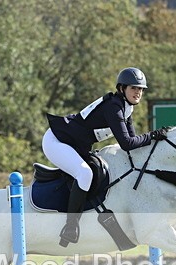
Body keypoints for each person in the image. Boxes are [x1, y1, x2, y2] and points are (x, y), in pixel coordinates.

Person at [42, 67, 169, 247]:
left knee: (98, 168)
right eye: (134, 88)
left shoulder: (126, 109)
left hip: (75, 145)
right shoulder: (113, 107)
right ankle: (70, 227)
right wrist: (152, 135)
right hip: (57, 141)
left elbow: (132, 146)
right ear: (122, 88)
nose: (138, 92)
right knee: (85, 173)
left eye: (140, 89)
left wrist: (154, 144)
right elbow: (127, 143)